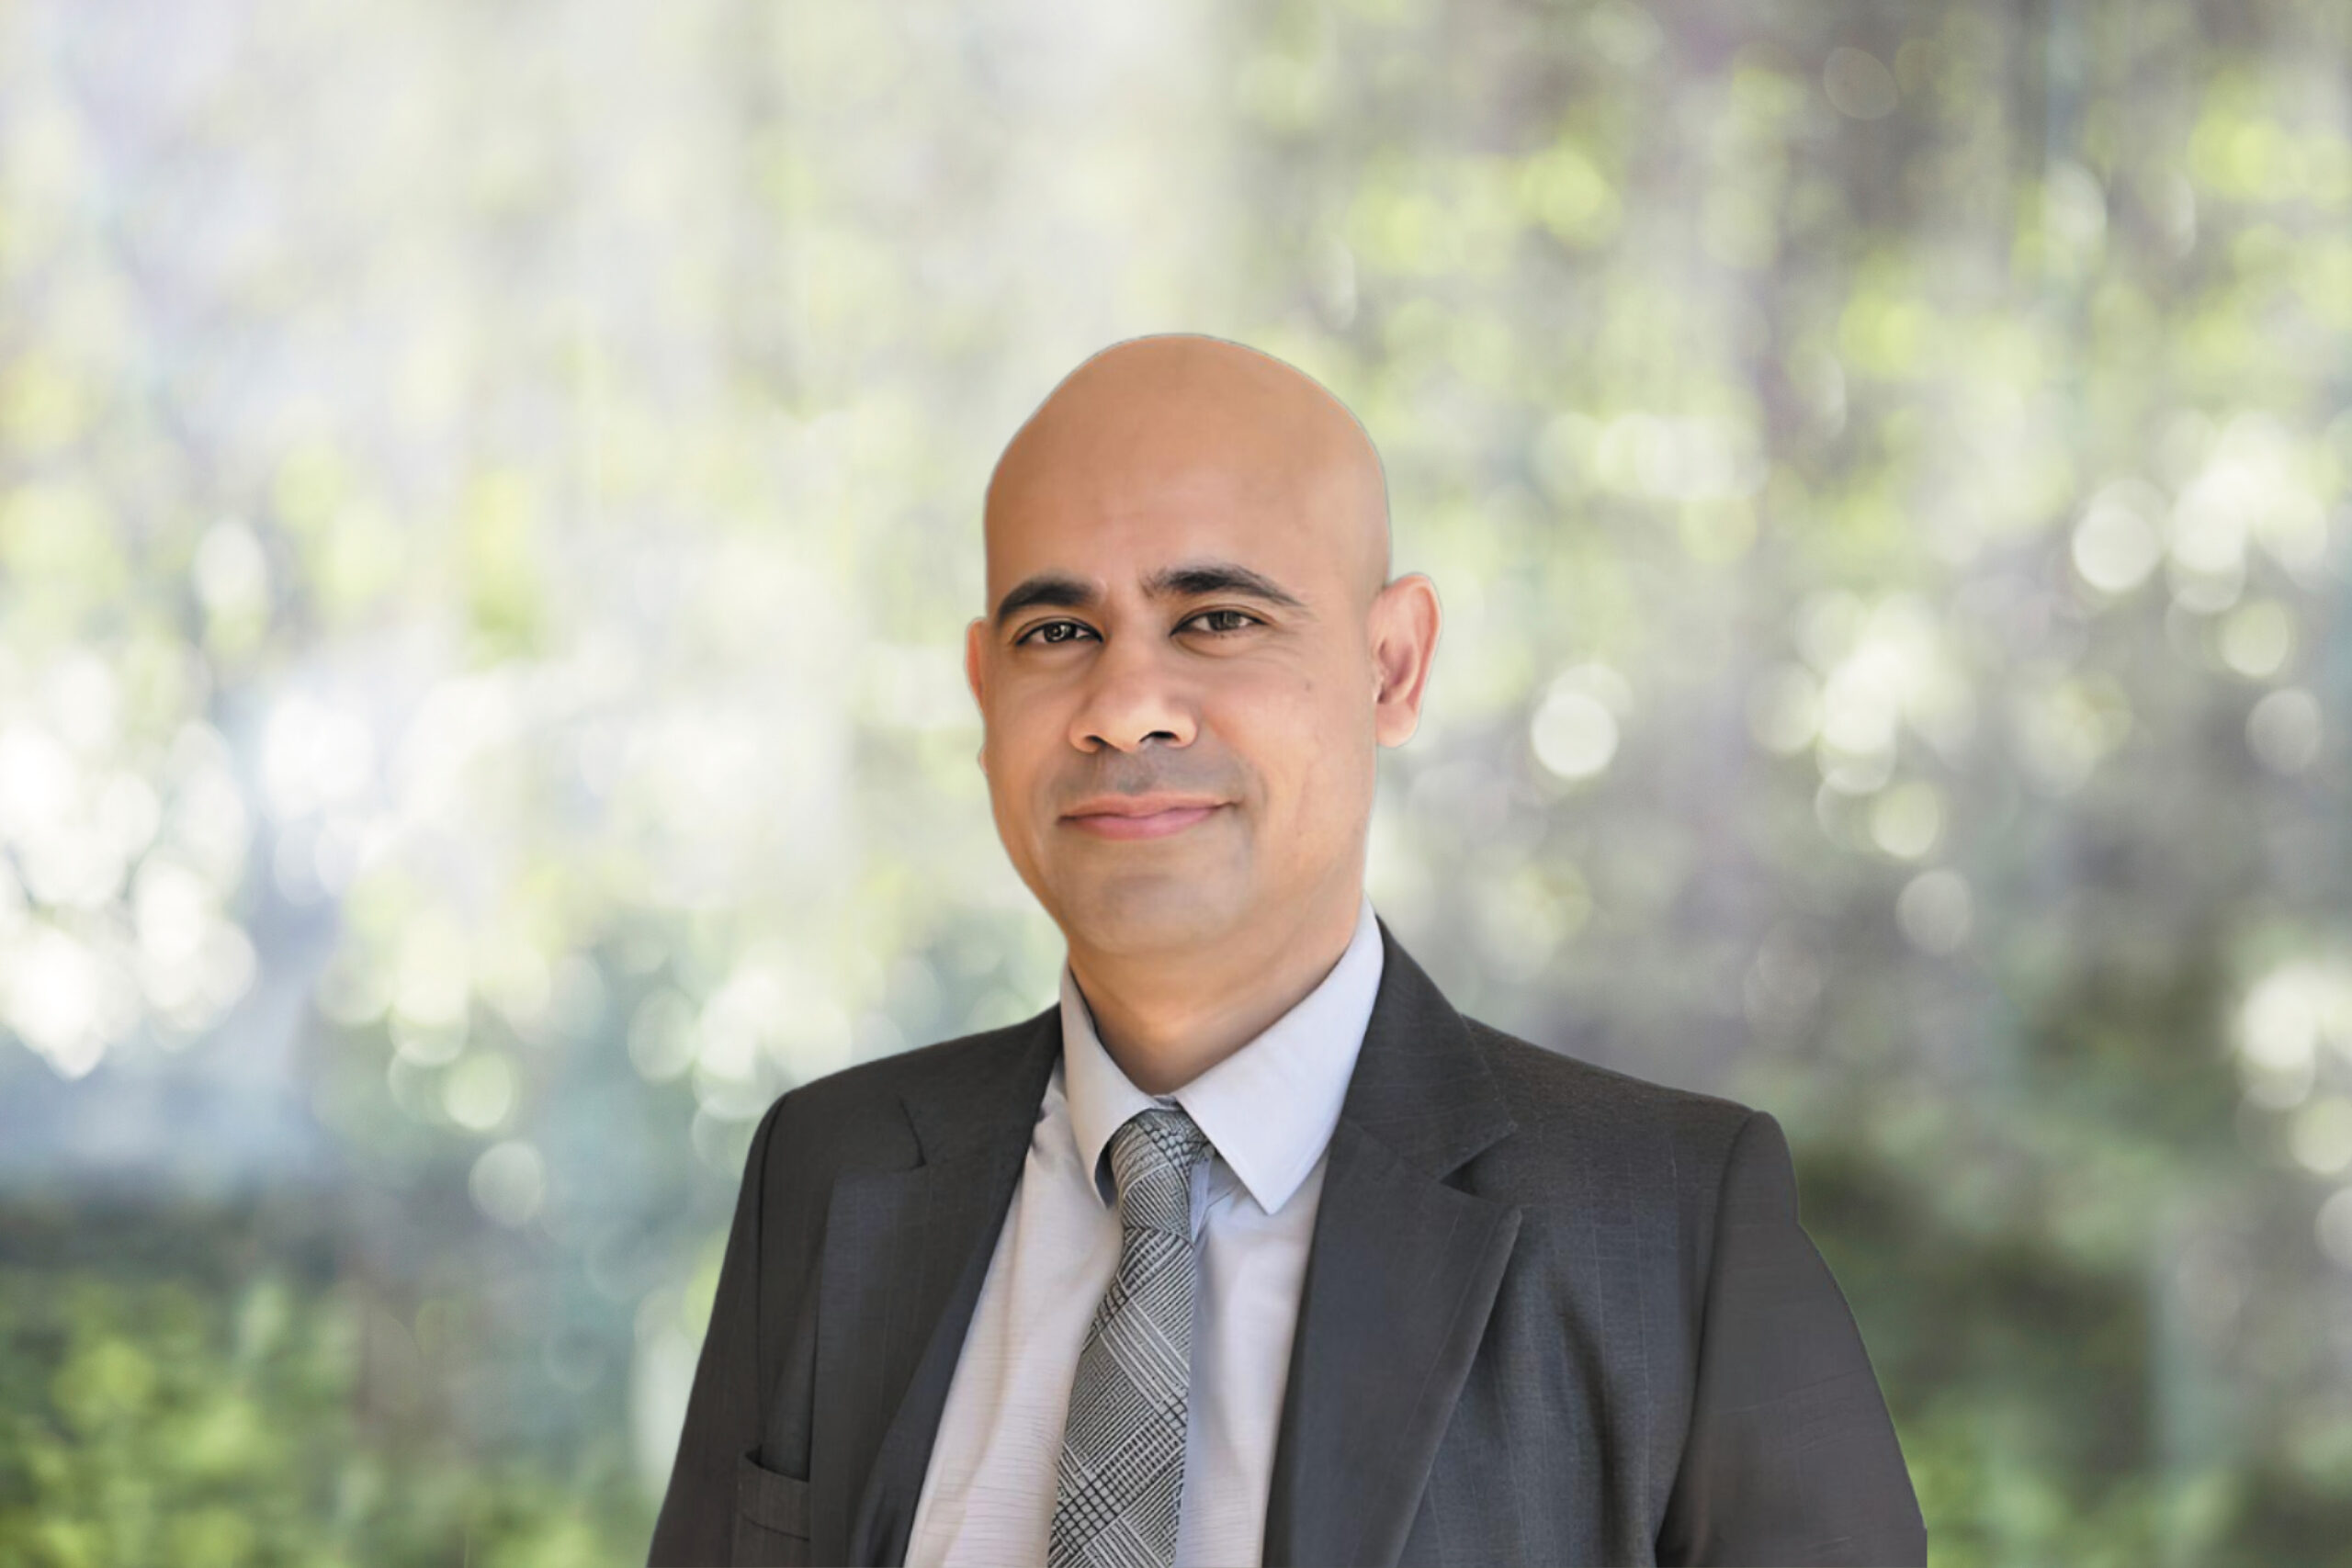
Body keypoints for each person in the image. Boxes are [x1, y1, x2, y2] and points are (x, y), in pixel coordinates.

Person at [648, 333, 1926, 1568]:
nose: (1125, 709)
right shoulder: (832, 1174)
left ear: (1392, 666)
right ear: (985, 691)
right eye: (1058, 633)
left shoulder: (1670, 1230)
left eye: (1215, 618)